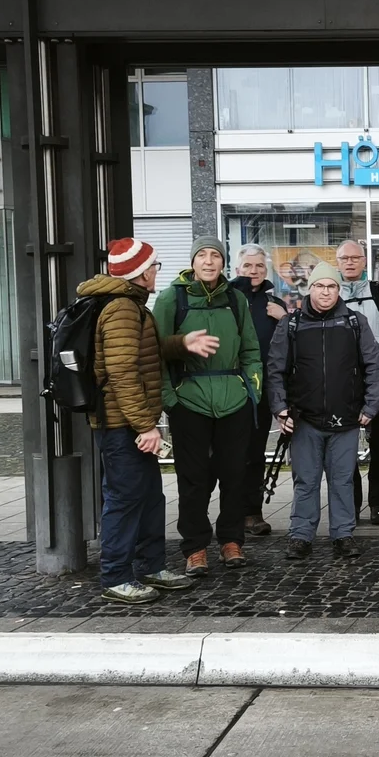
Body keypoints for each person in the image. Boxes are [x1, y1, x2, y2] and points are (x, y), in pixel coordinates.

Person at [78, 238, 209, 605]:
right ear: (139, 272)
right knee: (124, 500)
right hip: (123, 427)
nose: (156, 273)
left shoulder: (132, 305)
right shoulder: (121, 308)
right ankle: (116, 576)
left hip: (130, 423)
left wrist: (181, 344)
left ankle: (150, 566)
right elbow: (121, 372)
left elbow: (143, 351)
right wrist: (144, 427)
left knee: (150, 498)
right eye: (153, 267)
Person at [154, 237, 265, 577]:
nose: (208, 261)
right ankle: (196, 548)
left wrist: (252, 391)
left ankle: (232, 541)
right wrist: (169, 399)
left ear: (222, 263)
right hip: (191, 402)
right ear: (192, 262)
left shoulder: (236, 298)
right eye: (202, 255)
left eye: (215, 255)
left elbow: (250, 349)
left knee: (235, 476)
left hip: (234, 402)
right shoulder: (173, 297)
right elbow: (155, 350)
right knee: (194, 480)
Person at [268, 261, 379, 560]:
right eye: (320, 286)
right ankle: (301, 535)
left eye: (331, 286)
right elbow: (275, 369)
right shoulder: (292, 324)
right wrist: (280, 408)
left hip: (345, 418)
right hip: (304, 418)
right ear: (311, 289)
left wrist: (371, 406)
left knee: (342, 480)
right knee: (305, 480)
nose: (325, 292)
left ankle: (343, 534)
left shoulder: (355, 322)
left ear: (339, 290)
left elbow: (373, 367)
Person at [336, 239, 379, 526]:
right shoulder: (329, 293)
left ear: (364, 261)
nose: (349, 262)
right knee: (345, 446)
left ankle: (378, 504)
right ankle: (352, 503)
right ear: (337, 263)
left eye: (354, 258)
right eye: (343, 258)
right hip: (342, 385)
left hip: (375, 382)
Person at [230, 244, 286, 539]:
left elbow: (292, 345)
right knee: (227, 455)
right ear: (237, 269)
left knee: (254, 453)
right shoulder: (224, 298)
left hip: (261, 390)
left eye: (259, 267)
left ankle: (252, 513)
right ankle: (229, 515)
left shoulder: (274, 304)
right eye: (248, 266)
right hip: (227, 388)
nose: (253, 271)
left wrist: (284, 318)